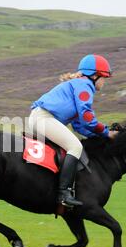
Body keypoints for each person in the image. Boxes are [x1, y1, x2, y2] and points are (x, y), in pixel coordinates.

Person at [29, 54, 118, 208]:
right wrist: (106, 132)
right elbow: (87, 116)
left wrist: (101, 135)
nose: (104, 82)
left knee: (71, 145)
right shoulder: (85, 85)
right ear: (95, 76)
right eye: (104, 78)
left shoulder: (79, 84)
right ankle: (64, 193)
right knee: (75, 147)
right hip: (44, 119)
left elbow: (80, 125)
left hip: (42, 118)